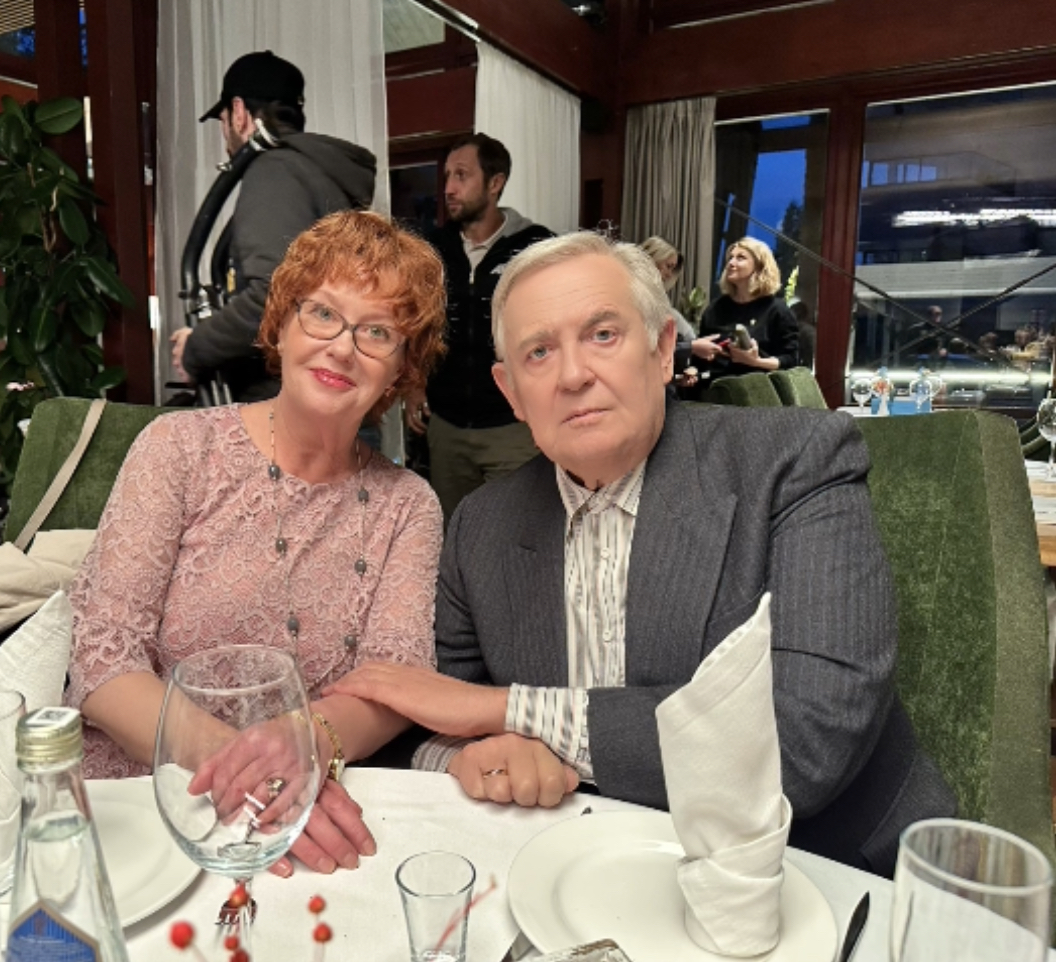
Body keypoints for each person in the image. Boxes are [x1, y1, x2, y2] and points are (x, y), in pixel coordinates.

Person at [329, 232, 956, 877]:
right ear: (511, 391)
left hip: (823, 870)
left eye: (602, 335)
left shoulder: (794, 462)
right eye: (539, 352)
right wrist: (467, 756)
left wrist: (509, 710)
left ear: (661, 351)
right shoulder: (480, 526)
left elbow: (805, 741)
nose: (573, 375)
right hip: (581, 870)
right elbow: (436, 717)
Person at [69, 211, 446, 877]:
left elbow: (397, 681)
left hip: (299, 814)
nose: (342, 348)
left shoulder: (408, 505)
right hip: (142, 808)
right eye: (322, 313)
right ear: (281, 325)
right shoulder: (179, 449)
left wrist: (307, 745)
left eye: (377, 332)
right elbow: (102, 665)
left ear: (401, 369)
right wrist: (263, 775)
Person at [169, 51, 377, 402]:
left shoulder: (274, 171)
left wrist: (197, 348)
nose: (224, 133)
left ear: (238, 112)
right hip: (327, 401)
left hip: (288, 409)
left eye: (223, 120)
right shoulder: (320, 176)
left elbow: (274, 295)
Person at [406, 133, 554, 522]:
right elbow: (415, 322)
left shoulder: (536, 248)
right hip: (447, 426)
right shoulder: (431, 249)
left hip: (512, 426)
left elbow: (557, 331)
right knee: (455, 530)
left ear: (495, 182)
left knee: (517, 531)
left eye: (462, 175)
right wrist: (414, 384)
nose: (449, 189)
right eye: (447, 177)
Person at [692, 237, 798, 381]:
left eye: (740, 258)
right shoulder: (716, 308)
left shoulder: (777, 311)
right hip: (715, 386)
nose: (731, 263)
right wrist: (693, 370)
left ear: (759, 266)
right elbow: (698, 359)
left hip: (758, 387)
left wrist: (756, 362)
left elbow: (790, 360)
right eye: (730, 258)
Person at [638, 235, 696, 388]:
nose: (670, 274)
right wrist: (692, 347)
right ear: (651, 260)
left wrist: (677, 378)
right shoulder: (634, 296)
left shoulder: (660, 299)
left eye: (673, 268)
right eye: (668, 266)